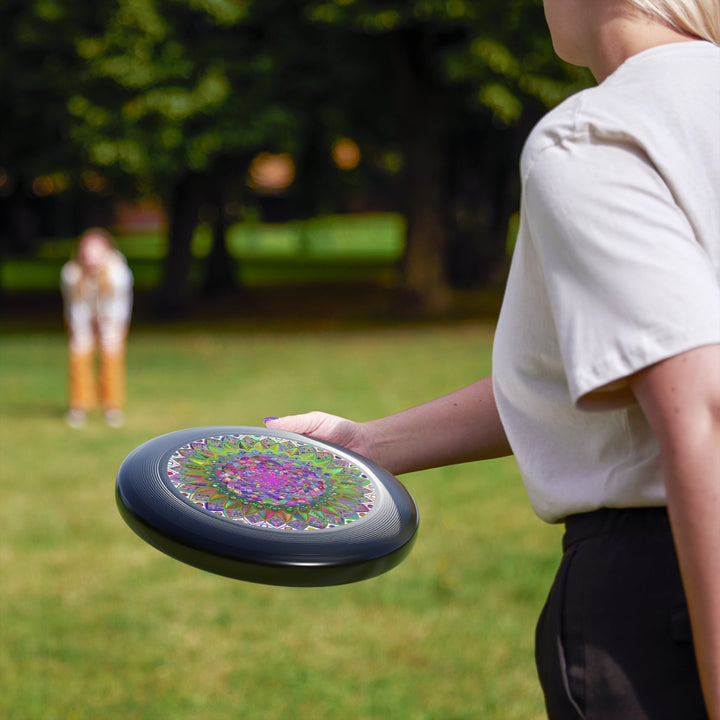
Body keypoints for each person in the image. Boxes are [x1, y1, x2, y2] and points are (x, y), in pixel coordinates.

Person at [264, 1, 720, 717]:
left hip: (669, 595)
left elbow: (702, 408)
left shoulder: (600, 134)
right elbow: (611, 370)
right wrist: (367, 444)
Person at [60, 227, 133, 428]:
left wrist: (106, 326)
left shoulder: (118, 273)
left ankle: (112, 406)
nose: (91, 256)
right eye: (87, 251)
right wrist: (84, 329)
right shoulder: (71, 273)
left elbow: (118, 306)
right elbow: (76, 306)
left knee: (111, 357)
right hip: (82, 319)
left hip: (112, 319)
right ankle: (79, 406)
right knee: (79, 354)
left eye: (96, 251)